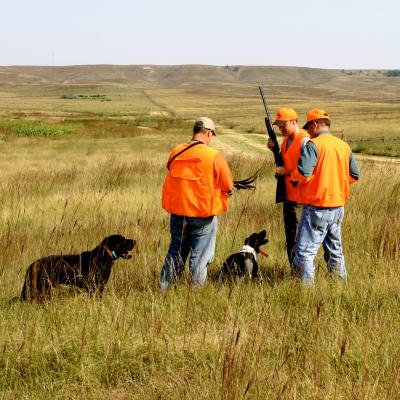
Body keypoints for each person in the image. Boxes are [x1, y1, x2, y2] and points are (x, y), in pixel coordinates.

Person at [160, 117, 233, 291]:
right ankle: (195, 295)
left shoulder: (176, 151)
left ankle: (165, 291)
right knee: (200, 258)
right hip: (203, 216)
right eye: (212, 135)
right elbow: (228, 185)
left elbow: (171, 169)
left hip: (178, 213)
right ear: (208, 133)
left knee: (175, 254)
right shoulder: (214, 155)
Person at [290, 109, 360, 285]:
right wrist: (336, 183)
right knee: (335, 250)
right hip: (338, 207)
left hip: (317, 206)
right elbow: (354, 174)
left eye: (309, 127)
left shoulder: (314, 145)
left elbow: (304, 172)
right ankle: (339, 286)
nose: (308, 132)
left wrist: (293, 178)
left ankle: (306, 291)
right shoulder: (344, 146)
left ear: (315, 124)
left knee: (305, 252)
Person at [267, 107, 310, 265]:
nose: (281, 128)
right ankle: (295, 271)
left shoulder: (304, 140)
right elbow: (283, 164)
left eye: (284, 125)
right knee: (291, 237)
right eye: (279, 126)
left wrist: (285, 172)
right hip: (289, 197)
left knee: (298, 240)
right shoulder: (286, 140)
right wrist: (274, 151)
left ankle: (301, 274)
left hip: (300, 199)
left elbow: (309, 170)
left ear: (294, 121)